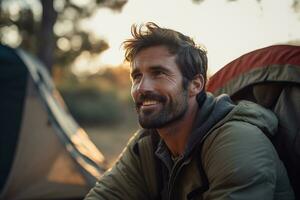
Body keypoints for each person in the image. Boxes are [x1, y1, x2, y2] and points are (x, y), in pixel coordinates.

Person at [84, 22, 294, 200]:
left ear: (195, 85)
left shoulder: (237, 141)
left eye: (159, 73)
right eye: (137, 76)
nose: (142, 88)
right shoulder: (147, 145)